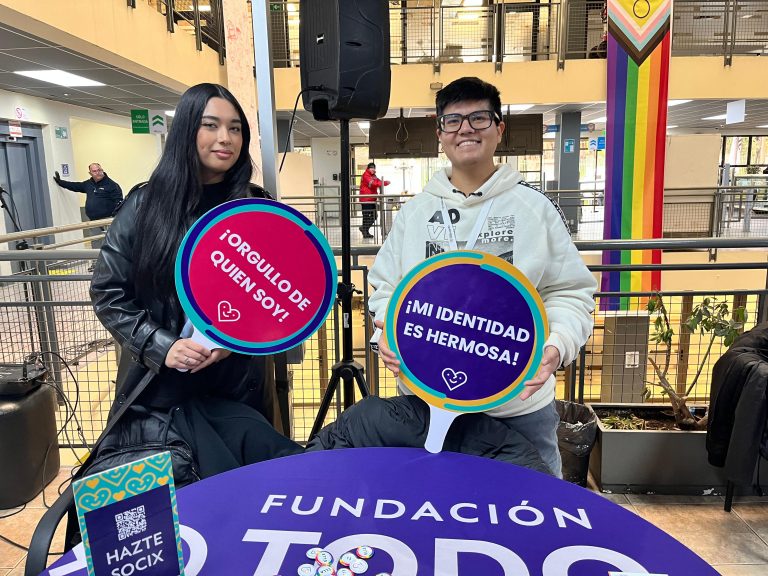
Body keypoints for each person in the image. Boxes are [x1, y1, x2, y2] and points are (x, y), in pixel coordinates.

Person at [367, 77, 597, 478]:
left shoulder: (534, 209)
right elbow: (386, 287)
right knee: (435, 515)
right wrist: (386, 329)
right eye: (453, 120)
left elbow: (571, 293)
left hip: (517, 407)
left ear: (499, 128)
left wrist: (556, 346)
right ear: (439, 133)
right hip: (425, 400)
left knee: (532, 518)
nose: (466, 129)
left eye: (478, 118)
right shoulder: (415, 213)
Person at [89, 83, 302, 484]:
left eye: (236, 128)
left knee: (244, 496)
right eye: (211, 125)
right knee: (179, 505)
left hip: (238, 386)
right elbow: (108, 292)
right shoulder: (144, 204)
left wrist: (236, 340)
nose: (225, 138)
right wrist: (163, 346)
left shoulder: (258, 209)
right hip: (160, 392)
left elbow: (277, 295)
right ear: (188, 130)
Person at [53, 163, 123, 221]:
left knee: (106, 238)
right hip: (92, 221)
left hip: (108, 220)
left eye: (99, 170)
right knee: (96, 238)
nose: (97, 173)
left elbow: (119, 203)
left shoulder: (112, 185)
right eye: (94, 171)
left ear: (102, 170)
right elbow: (74, 186)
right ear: (90, 173)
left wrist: (115, 218)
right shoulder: (88, 184)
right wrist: (60, 182)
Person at [358, 162, 389, 239]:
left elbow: (378, 181)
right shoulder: (366, 175)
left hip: (372, 199)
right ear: (368, 168)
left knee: (374, 215)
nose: (373, 169)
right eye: (371, 168)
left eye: (374, 168)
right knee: (366, 216)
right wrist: (384, 183)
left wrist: (382, 183)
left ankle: (364, 229)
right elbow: (373, 183)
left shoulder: (373, 175)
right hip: (366, 199)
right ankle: (365, 231)